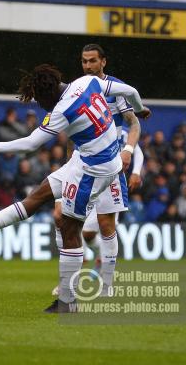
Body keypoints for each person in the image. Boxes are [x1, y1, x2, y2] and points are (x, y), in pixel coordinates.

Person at [0, 64, 150, 313]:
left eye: (39, 100)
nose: (40, 106)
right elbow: (130, 90)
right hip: (86, 158)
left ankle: (68, 301)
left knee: (68, 228)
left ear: (47, 94)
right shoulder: (87, 82)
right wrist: (139, 109)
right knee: (39, 195)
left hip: (95, 171)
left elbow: (30, 144)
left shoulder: (62, 110)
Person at [51, 44, 145, 293]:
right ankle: (68, 281)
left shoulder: (117, 89)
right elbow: (71, 131)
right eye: (84, 61)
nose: (88, 66)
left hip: (109, 163)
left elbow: (134, 124)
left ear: (103, 62)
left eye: (92, 61)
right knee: (61, 217)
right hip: (81, 163)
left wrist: (128, 151)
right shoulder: (77, 88)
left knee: (106, 224)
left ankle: (108, 282)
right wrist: (71, 159)